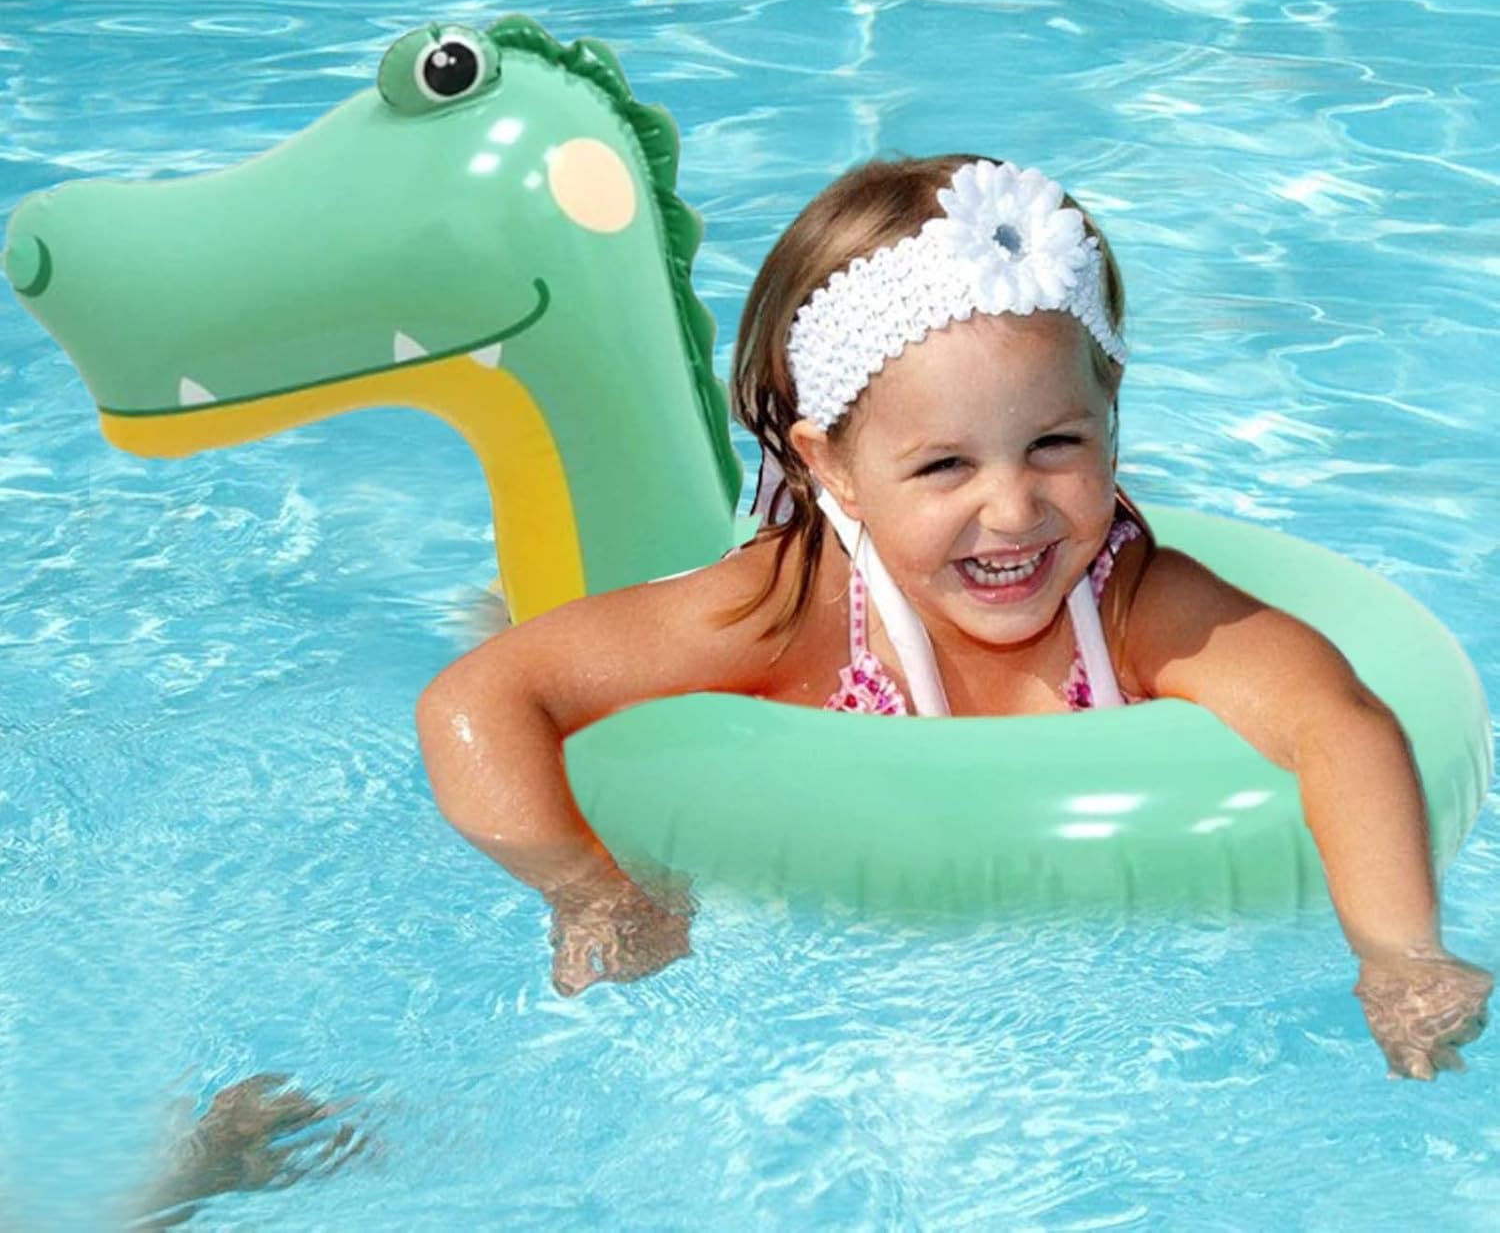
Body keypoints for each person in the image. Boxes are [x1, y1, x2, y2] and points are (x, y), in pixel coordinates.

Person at [416, 154, 1491, 1080]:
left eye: (1056, 444)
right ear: (833, 465)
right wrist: (590, 893)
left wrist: (1399, 955)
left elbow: (1339, 726)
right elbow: (482, 698)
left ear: (1111, 414)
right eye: (943, 466)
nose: (1013, 511)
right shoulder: (795, 607)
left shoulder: (1132, 599)